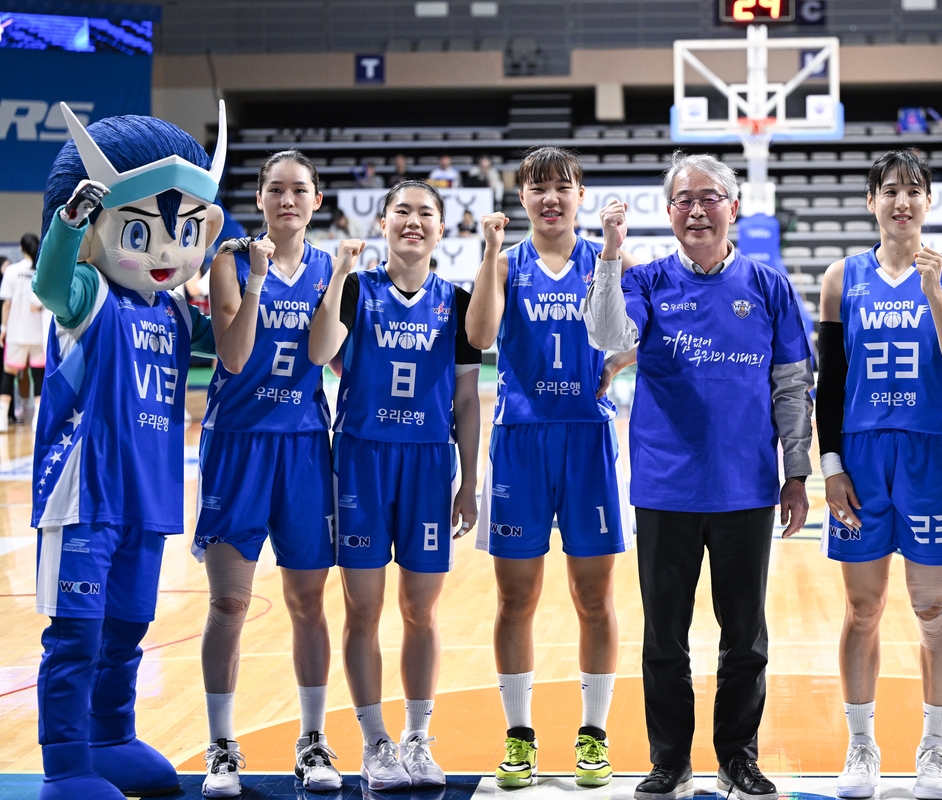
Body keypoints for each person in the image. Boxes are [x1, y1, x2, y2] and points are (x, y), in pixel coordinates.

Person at [583, 152, 814, 800]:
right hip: (666, 488)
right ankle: (671, 761)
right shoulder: (647, 279)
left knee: (745, 637)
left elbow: (792, 385)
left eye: (709, 197)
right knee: (665, 639)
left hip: (746, 489)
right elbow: (607, 335)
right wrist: (609, 253)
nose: (696, 209)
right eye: (684, 199)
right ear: (669, 212)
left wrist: (795, 472)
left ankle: (737, 757)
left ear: (734, 208)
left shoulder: (769, 286)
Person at [33, 105, 226, 800]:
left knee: (126, 631)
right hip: (83, 492)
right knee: (77, 636)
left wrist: (246, 274)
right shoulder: (89, 294)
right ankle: (65, 765)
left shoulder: (174, 310)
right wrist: (68, 226)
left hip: (148, 494)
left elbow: (232, 343)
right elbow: (50, 287)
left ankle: (109, 738)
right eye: (142, 231)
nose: (164, 252)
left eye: (184, 232)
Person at [465, 146, 638, 789]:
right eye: (537, 188)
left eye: (562, 186)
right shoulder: (507, 265)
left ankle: (593, 734)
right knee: (517, 598)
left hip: (589, 438)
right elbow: (480, 336)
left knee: (594, 597)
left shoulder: (604, 260)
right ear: (522, 199)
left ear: (581, 194)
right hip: (521, 439)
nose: (550, 198)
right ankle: (520, 737)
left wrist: (617, 366)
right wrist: (487, 254)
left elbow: (632, 334)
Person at [816, 149, 942, 800]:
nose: (902, 201)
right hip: (861, 457)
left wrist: (934, 291)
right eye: (890, 190)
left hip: (930, 453)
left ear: (930, 202)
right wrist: (829, 465)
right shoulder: (841, 277)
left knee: (933, 609)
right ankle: (862, 748)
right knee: (863, 610)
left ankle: (934, 749)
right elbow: (831, 385)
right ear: (871, 202)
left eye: (914, 190)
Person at [308, 180, 481, 792]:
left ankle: (416, 736)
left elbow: (466, 396)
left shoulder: (459, 302)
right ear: (382, 223)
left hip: (430, 463)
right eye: (402, 211)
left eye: (425, 213)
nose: (413, 221)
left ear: (442, 228)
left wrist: (471, 479)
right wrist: (337, 278)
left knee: (421, 610)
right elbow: (321, 352)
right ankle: (374, 740)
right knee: (364, 608)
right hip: (361, 460)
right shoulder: (355, 291)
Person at [191, 150, 340, 797]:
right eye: (275, 189)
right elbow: (231, 353)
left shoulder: (332, 269)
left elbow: (334, 360)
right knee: (228, 604)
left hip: (305, 448)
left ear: (315, 200)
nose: (287, 199)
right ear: (259, 198)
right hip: (238, 447)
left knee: (307, 602)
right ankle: (221, 746)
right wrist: (254, 281)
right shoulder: (228, 261)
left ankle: (312, 740)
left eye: (298, 190)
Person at [0, 233, 45, 431]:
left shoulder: (11, 271)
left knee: (8, 374)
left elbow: (7, 303)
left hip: (16, 332)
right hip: (38, 333)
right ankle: (37, 420)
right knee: (39, 375)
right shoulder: (42, 271)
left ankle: (1, 418)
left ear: (21, 248)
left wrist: (3, 328)